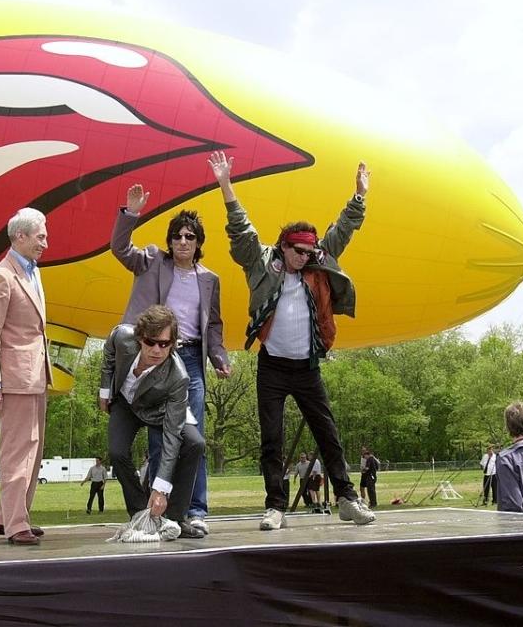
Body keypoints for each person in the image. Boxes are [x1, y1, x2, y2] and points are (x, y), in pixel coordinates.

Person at [207, 150, 375, 528]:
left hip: (307, 367)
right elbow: (241, 230)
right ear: (284, 247)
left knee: (327, 433)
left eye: (309, 252)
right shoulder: (263, 264)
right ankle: (276, 507)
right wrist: (225, 186)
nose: (305, 257)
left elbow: (343, 229)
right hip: (273, 366)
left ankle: (347, 499)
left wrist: (360, 195)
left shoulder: (317, 263)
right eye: (298, 251)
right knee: (272, 438)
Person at [111, 184, 231, 535]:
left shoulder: (209, 280)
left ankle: (194, 509)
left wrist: (219, 356)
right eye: (177, 236)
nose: (182, 241)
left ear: (198, 242)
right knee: (157, 436)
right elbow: (120, 248)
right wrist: (130, 213)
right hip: (152, 354)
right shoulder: (150, 262)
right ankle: (153, 513)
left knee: (192, 436)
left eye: (189, 236)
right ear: (170, 241)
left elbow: (215, 325)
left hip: (190, 359)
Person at [99, 305, 206, 539]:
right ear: (139, 338)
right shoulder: (122, 336)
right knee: (117, 452)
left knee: (195, 443)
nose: (157, 349)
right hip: (126, 403)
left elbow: (172, 437)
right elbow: (108, 354)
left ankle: (175, 518)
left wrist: (161, 488)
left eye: (165, 344)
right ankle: (140, 514)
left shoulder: (179, 377)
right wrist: (104, 390)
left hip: (161, 410)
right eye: (151, 342)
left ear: (173, 343)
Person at [0, 207, 52, 546]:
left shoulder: (32, 272)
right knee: (16, 451)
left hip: (37, 375)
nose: (46, 243)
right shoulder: (1, 277)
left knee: (33, 450)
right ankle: (16, 524)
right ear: (20, 236)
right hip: (14, 379)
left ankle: (5, 516)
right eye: (40, 236)